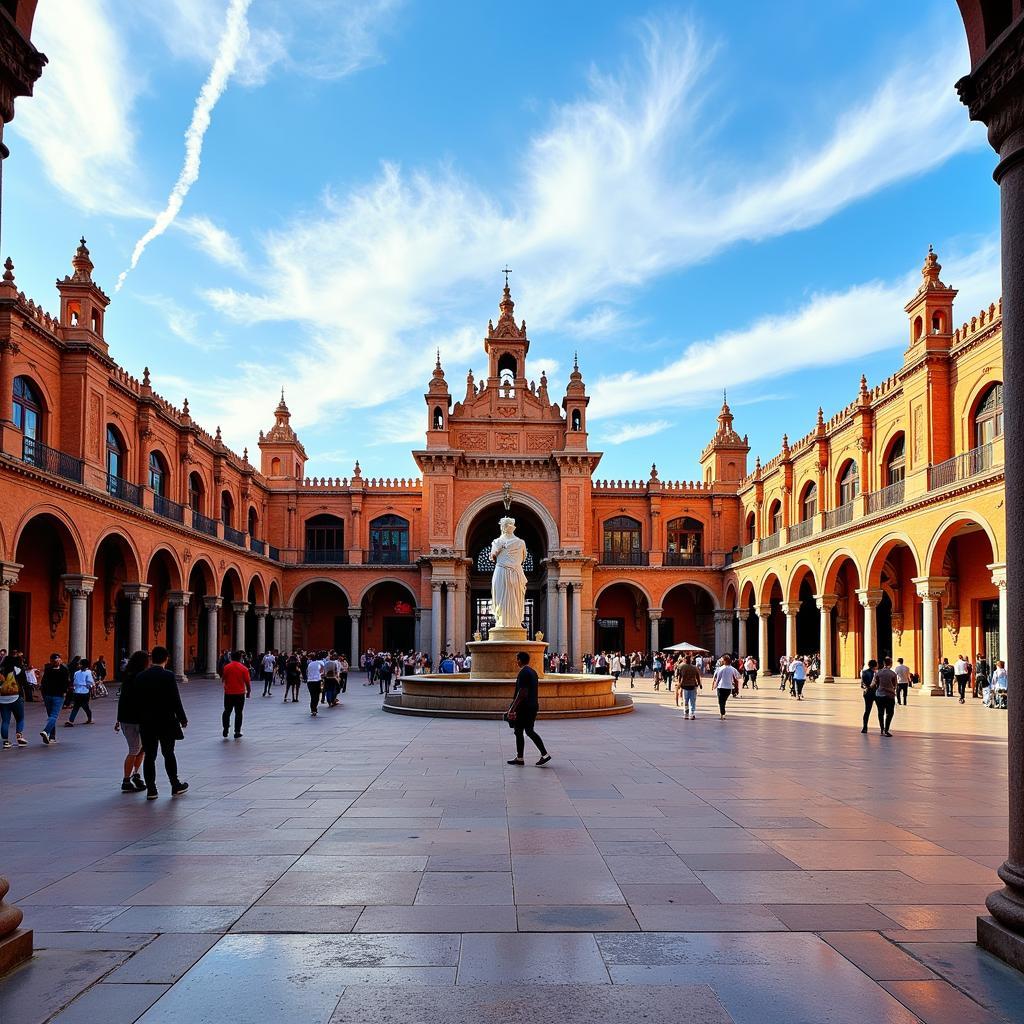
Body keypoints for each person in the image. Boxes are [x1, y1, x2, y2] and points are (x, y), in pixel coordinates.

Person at [136, 646, 189, 799]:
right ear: (166, 658)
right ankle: (175, 785)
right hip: (166, 721)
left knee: (149, 756)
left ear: (152, 659)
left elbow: (136, 702)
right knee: (168, 753)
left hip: (146, 722)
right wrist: (182, 718)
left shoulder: (141, 676)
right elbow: (175, 699)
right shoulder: (168, 676)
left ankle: (151, 790)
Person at [505, 651, 550, 766]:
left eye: (517, 659)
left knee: (519, 731)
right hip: (532, 705)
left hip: (524, 708)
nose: (516, 661)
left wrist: (512, 709)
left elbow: (523, 692)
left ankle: (522, 758)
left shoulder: (523, 673)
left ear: (520, 660)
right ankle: (541, 755)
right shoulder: (533, 672)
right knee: (528, 731)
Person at [114, 650, 150, 792]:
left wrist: (118, 719)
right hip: (134, 720)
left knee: (142, 749)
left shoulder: (129, 678)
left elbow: (122, 700)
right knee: (135, 749)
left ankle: (136, 774)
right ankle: (126, 780)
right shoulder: (139, 678)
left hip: (129, 719)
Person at [39, 652, 69, 745]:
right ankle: (46, 731)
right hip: (58, 695)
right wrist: (65, 693)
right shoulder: (64, 670)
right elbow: (66, 683)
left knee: (50, 716)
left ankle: (52, 737)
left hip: (47, 695)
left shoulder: (48, 669)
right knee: (54, 716)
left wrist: (44, 694)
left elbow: (43, 683)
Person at [221, 650, 251, 738]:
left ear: (231, 658)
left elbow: (223, 679)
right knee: (238, 712)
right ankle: (237, 731)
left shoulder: (227, 667)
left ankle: (225, 728)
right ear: (240, 658)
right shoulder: (244, 668)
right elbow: (247, 682)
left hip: (229, 693)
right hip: (240, 693)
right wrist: (248, 692)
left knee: (227, 711)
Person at [0, 654, 28, 748]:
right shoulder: (18, 669)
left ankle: (5, 742)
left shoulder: (1, 671)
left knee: (5, 721)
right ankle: (19, 735)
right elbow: (24, 683)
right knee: (20, 718)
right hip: (16, 697)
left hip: (2, 698)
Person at [65, 657, 95, 726]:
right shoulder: (88, 672)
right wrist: (90, 688)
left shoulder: (77, 673)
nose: (79, 665)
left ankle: (71, 720)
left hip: (77, 692)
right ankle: (89, 719)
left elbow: (75, 682)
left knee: (77, 706)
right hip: (84, 692)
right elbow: (90, 682)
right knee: (84, 706)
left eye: (80, 664)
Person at [874, 656, 898, 736]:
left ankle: (882, 729)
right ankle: (886, 730)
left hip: (879, 695)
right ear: (890, 664)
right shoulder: (893, 674)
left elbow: (875, 683)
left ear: (883, 663)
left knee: (880, 713)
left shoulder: (878, 672)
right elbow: (895, 685)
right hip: (890, 695)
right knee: (889, 713)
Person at [713, 654, 741, 720]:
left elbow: (718, 678)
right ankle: (723, 713)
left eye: (722, 660)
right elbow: (737, 678)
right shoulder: (733, 669)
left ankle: (722, 714)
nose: (721, 661)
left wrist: (715, 685)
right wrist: (737, 688)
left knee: (720, 701)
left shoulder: (720, 668)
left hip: (721, 687)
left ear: (725, 661)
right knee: (724, 701)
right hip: (728, 687)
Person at [676, 655, 701, 719]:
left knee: (686, 700)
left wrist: (679, 684)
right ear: (691, 660)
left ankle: (686, 714)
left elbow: (679, 676)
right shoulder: (694, 667)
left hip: (684, 686)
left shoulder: (681, 667)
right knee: (692, 701)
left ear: (685, 660)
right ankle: (692, 714)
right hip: (693, 686)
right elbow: (698, 677)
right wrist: (700, 684)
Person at [860, 659, 878, 733]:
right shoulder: (877, 673)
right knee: (880, 711)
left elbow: (862, 685)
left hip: (867, 693)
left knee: (867, 711)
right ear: (875, 665)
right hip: (877, 693)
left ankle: (865, 727)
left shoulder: (864, 672)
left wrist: (866, 687)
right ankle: (883, 729)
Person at [305, 651, 324, 716]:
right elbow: (322, 670)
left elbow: (307, 672)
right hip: (317, 681)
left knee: (312, 696)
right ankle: (314, 709)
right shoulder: (319, 663)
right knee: (317, 696)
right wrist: (320, 674)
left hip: (310, 681)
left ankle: (313, 709)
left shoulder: (309, 664)